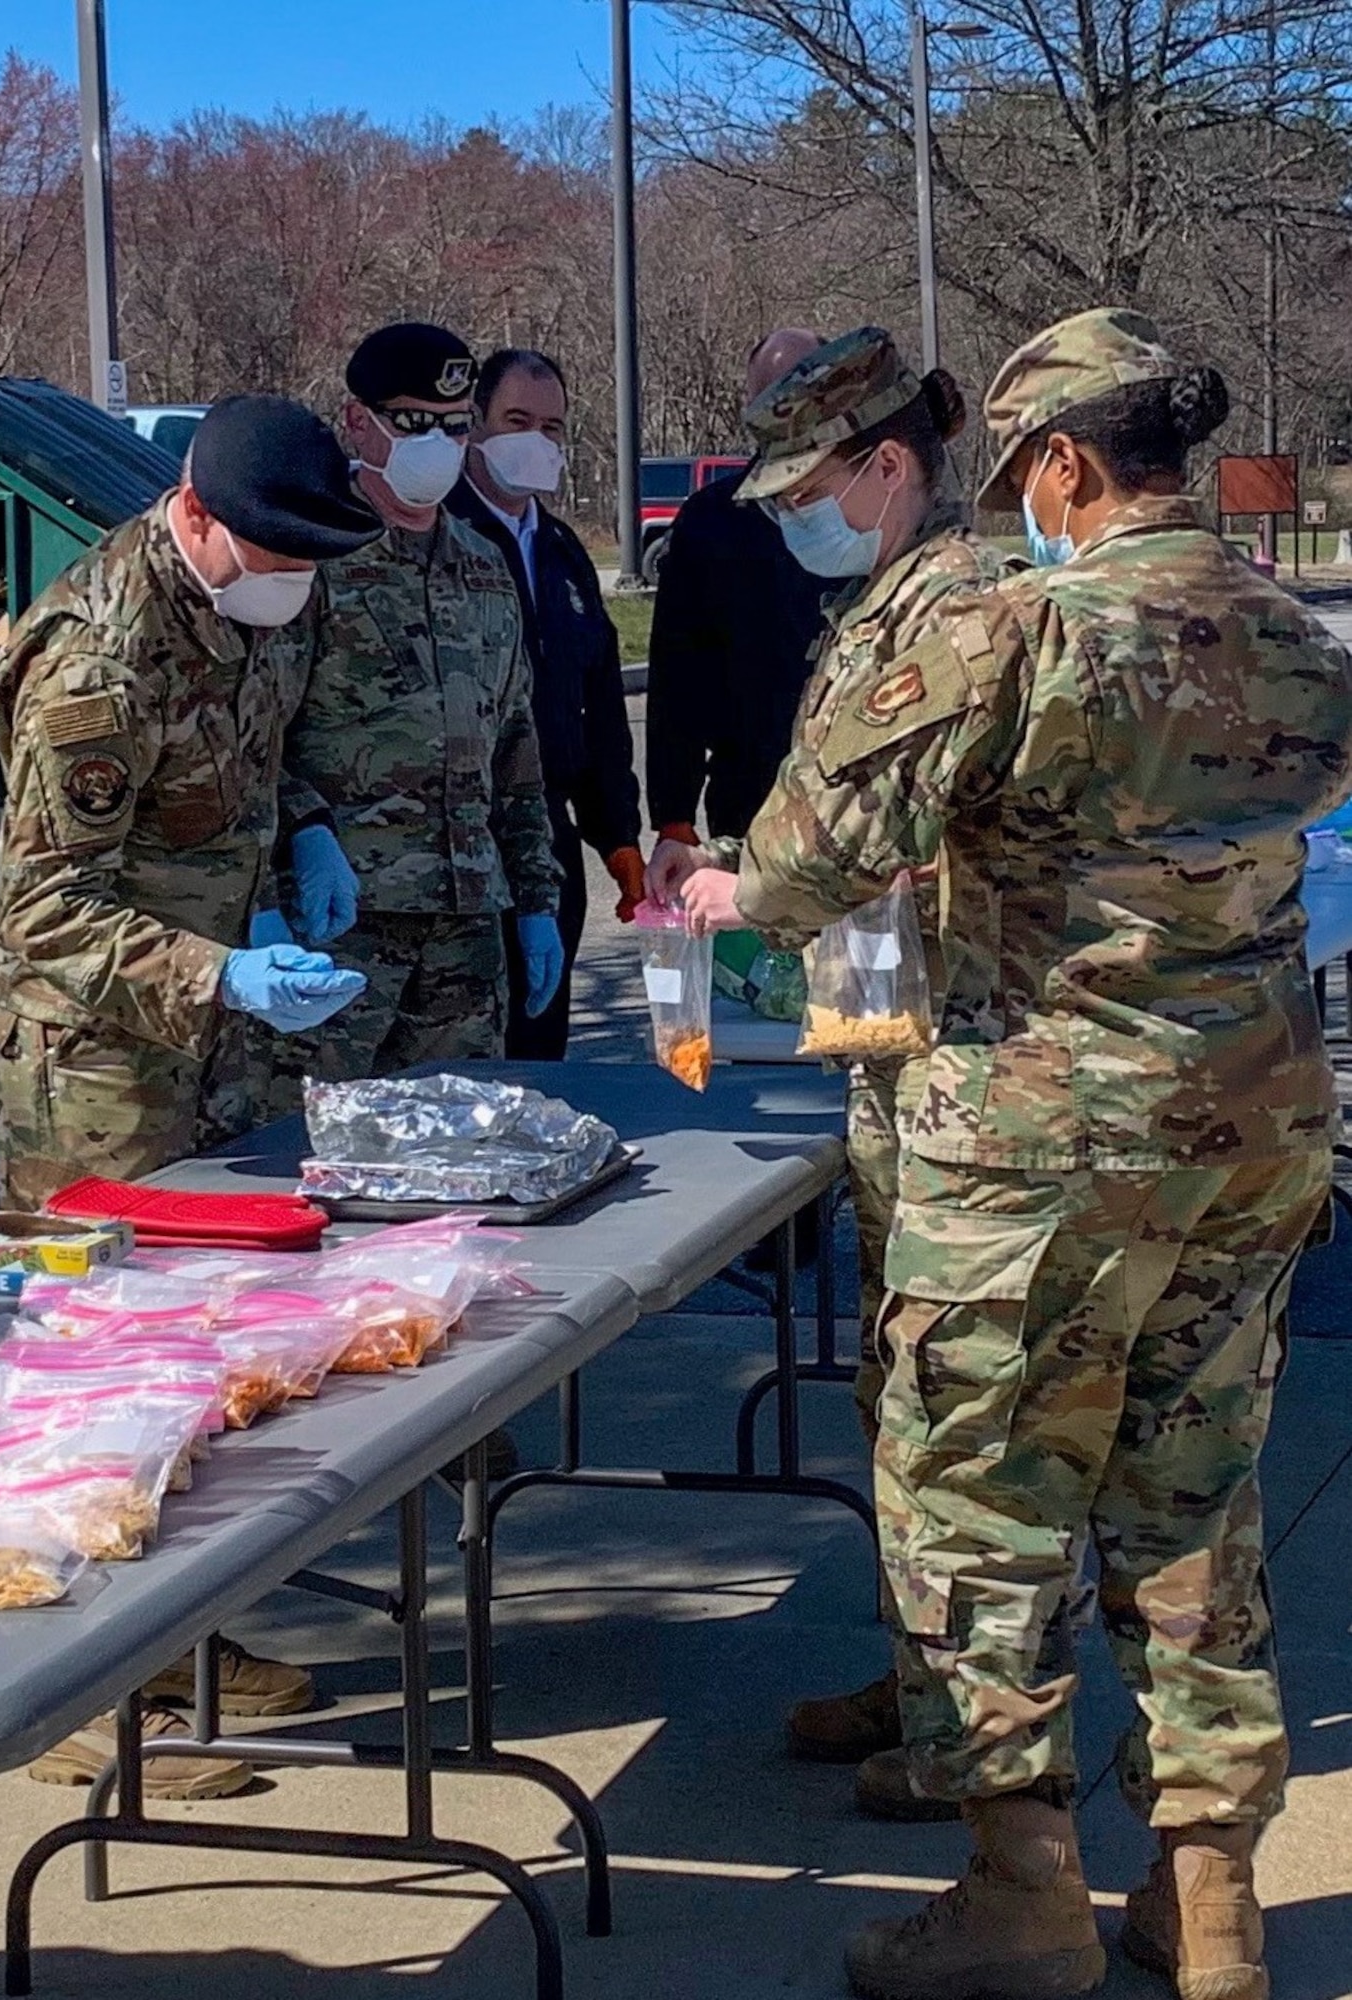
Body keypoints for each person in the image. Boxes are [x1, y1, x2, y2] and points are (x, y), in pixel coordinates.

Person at [680, 307, 1352, 2000]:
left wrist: (718, 903)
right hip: (1250, 1128)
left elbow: (791, 875)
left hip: (1038, 1139)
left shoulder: (1006, 630)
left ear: (1061, 464)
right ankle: (1204, 1900)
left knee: (977, 1504)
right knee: (1192, 1498)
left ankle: (1021, 1897)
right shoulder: (1288, 625)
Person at [0, 393, 380, 1797]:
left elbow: (275, 748)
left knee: (199, 1362)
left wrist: (313, 832)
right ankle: (75, 1694)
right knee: (96, 1372)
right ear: (197, 519)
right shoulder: (96, 659)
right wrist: (220, 976)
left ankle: (178, 1644)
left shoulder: (260, 593)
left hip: (207, 1034)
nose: (296, 582)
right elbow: (42, 914)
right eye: (274, 555)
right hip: (90, 1060)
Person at [647, 326, 1017, 1818]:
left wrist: (735, 891)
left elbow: (830, 845)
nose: (793, 513)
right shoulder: (887, 596)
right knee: (905, 1388)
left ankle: (974, 1745)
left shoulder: (955, 611)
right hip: (907, 1024)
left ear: (888, 467)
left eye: (811, 484)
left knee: (956, 1419)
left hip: (969, 1065)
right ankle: (927, 1678)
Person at [272, 323, 565, 1091]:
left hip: (466, 932)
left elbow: (518, 755)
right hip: (339, 933)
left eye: (454, 424)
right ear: (358, 422)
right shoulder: (308, 559)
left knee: (454, 1153)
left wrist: (536, 900)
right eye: (412, 423)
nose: (435, 441)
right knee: (313, 1147)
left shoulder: (484, 568)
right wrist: (299, 838)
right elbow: (253, 737)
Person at [449, 347, 642, 1057]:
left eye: (552, 427)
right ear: (475, 424)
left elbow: (599, 704)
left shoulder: (561, 552)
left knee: (539, 1060)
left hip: (551, 847)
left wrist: (618, 833)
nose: (535, 440)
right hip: (463, 847)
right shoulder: (441, 536)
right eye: (516, 420)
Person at [644, 328, 834, 891]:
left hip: (862, 803)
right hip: (749, 803)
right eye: (773, 395)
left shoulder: (867, 504)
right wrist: (674, 816)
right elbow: (678, 676)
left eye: (805, 389)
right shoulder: (712, 521)